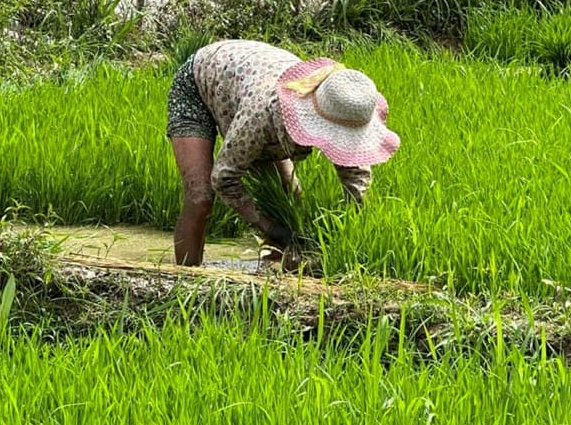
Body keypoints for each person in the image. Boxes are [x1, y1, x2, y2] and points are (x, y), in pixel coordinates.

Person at [166, 39, 400, 267]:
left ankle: (277, 276)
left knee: (290, 194)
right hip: (199, 83)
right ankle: (185, 282)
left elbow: (356, 179)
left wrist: (349, 230)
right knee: (200, 198)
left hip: (248, 80)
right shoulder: (261, 116)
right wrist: (267, 227)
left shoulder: (344, 106)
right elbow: (225, 178)